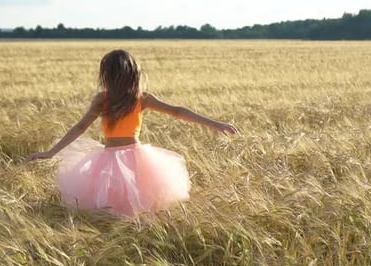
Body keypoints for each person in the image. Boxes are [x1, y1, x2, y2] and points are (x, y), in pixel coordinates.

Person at [26, 49, 238, 216]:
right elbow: (177, 111)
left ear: (106, 75)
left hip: (130, 157)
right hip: (119, 158)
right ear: (133, 73)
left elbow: (177, 111)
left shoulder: (138, 98)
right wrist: (50, 152)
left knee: (130, 206)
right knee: (122, 206)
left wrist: (215, 124)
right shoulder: (109, 99)